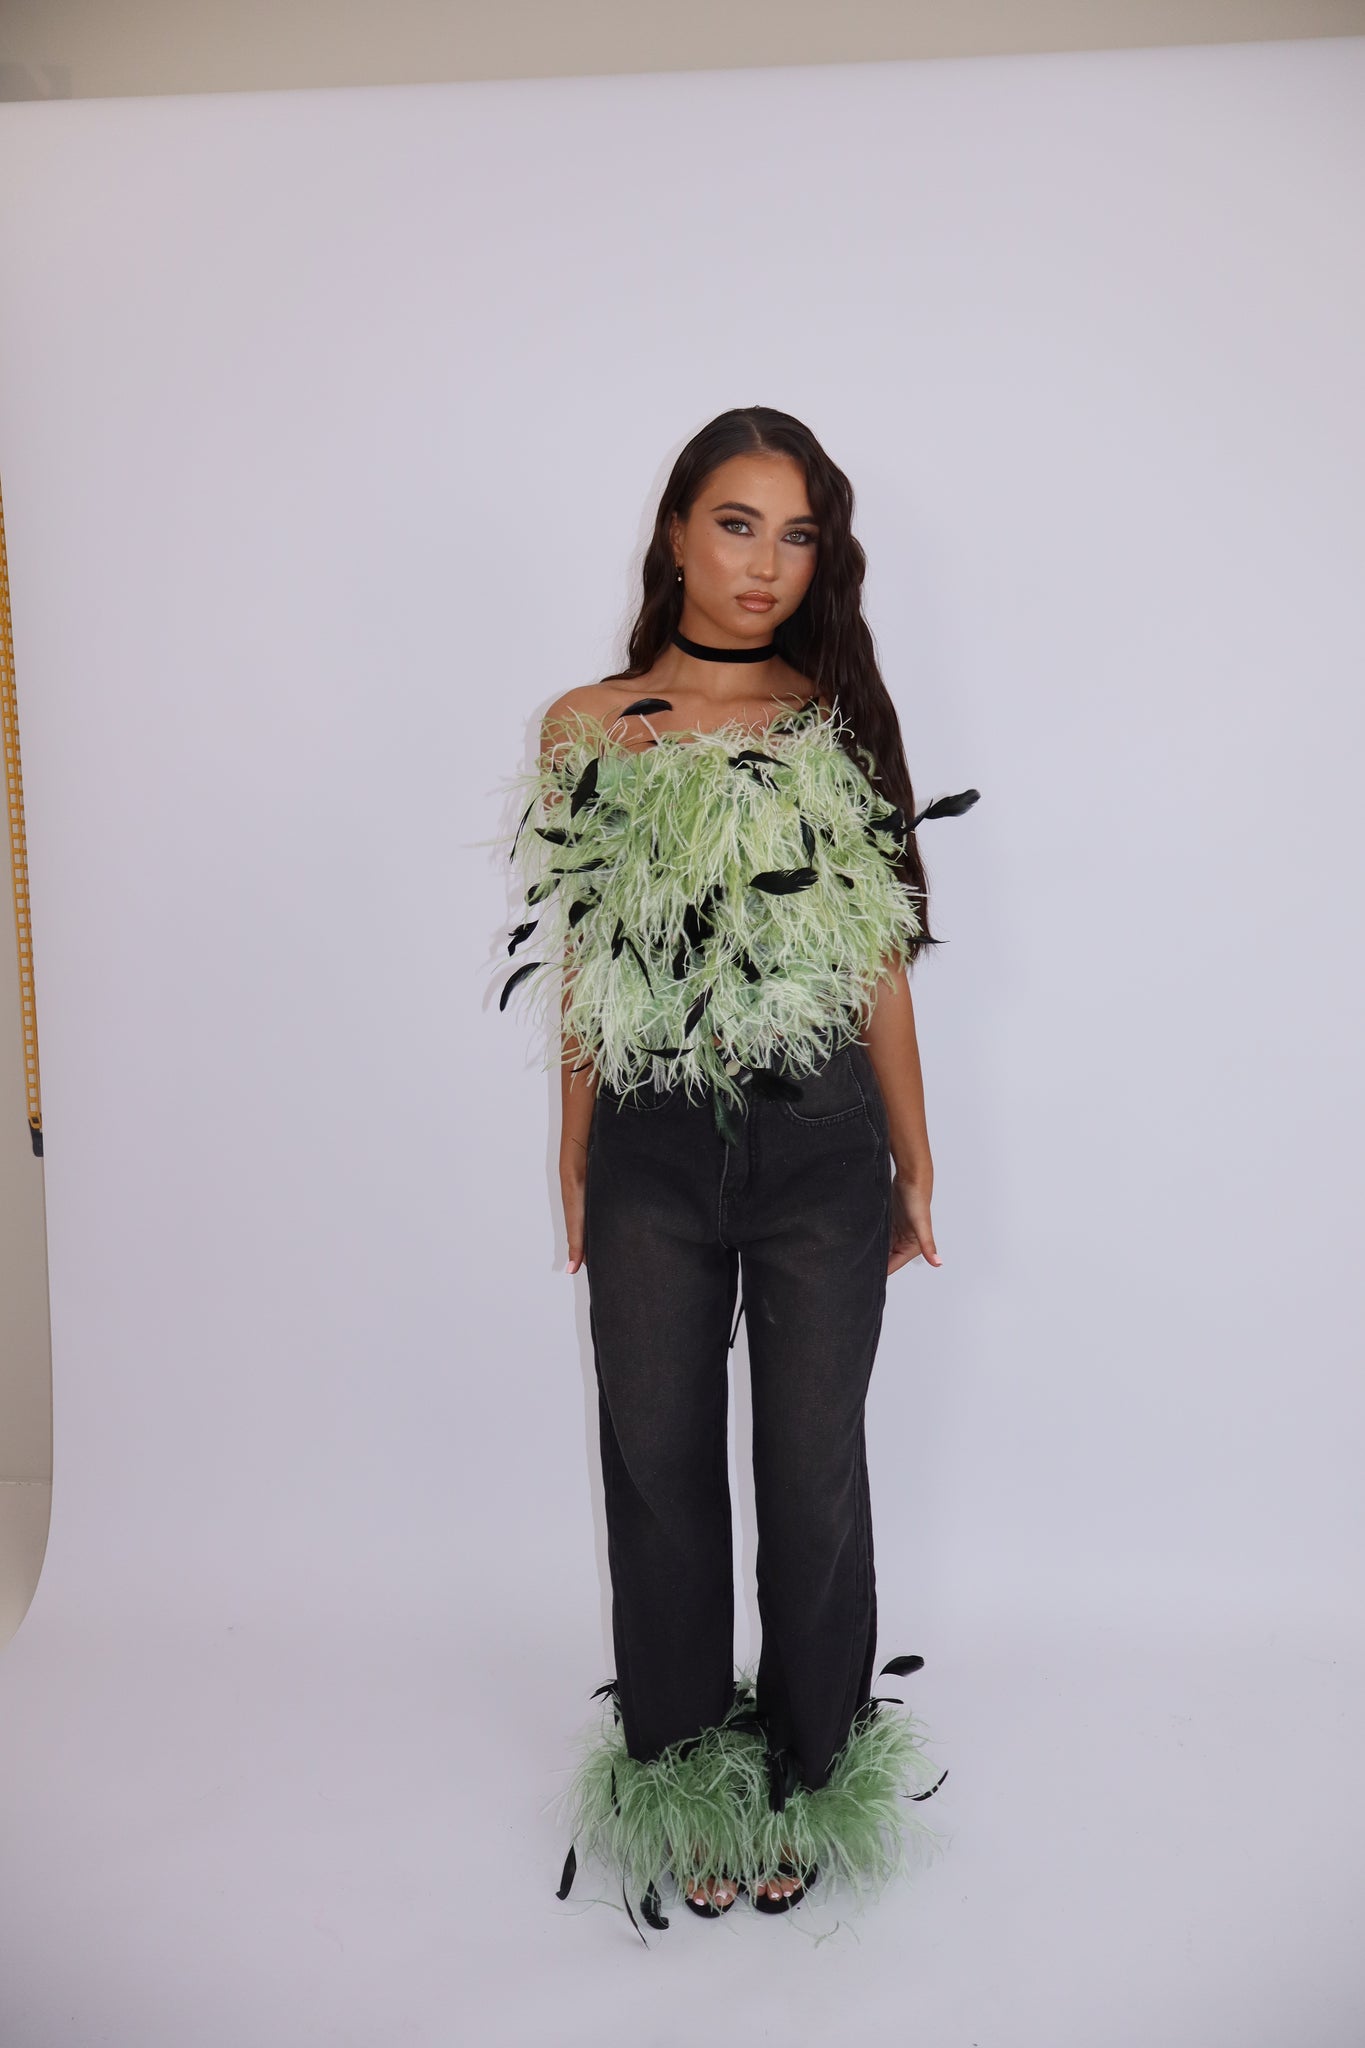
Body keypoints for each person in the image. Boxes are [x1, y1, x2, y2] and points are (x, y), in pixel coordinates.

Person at [496, 405, 975, 1938]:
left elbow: (876, 958)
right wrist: (574, 1147)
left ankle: (811, 1767)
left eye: (796, 534)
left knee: (810, 1477)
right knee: (656, 1474)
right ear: (675, 533)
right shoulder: (586, 725)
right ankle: (686, 1774)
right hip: (648, 1147)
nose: (764, 563)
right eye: (735, 523)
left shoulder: (831, 718)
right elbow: (588, 950)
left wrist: (914, 1156)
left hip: (818, 1146)